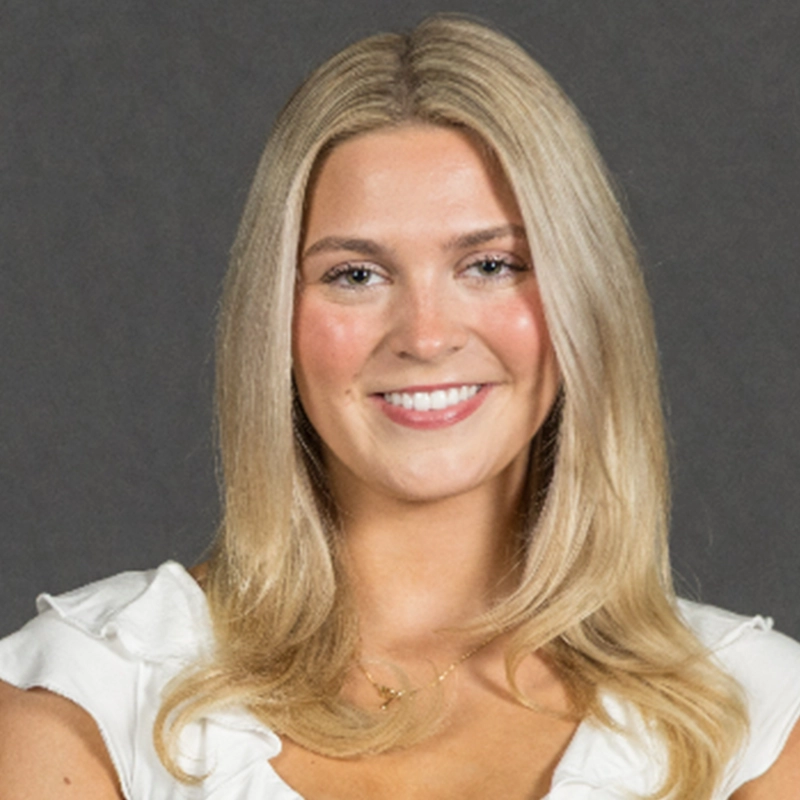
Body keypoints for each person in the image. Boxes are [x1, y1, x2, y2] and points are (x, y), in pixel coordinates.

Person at [0, 14, 798, 800]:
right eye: (356, 275)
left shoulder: (751, 724)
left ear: (584, 301)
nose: (424, 335)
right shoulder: (91, 700)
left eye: (490, 264)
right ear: (275, 318)